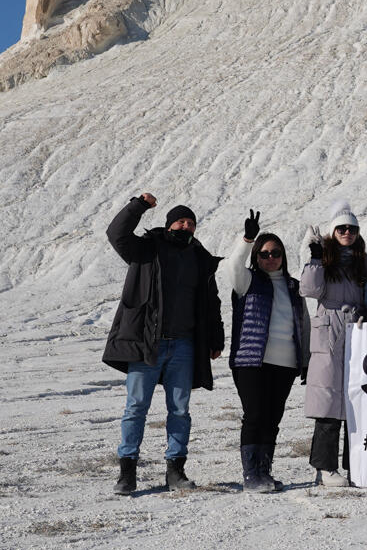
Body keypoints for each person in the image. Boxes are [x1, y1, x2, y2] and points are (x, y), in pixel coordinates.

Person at [102, 193, 224, 496]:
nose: (186, 226)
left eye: (191, 223)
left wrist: (215, 338)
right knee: (135, 408)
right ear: (169, 224)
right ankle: (127, 472)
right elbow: (116, 234)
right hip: (147, 344)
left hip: (183, 345)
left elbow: (211, 302)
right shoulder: (146, 250)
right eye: (181, 221)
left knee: (180, 411)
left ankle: (175, 470)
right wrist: (138, 205)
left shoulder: (200, 258)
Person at [226, 212, 310, 492]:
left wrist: (305, 360)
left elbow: (303, 325)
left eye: (275, 253)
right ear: (256, 257)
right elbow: (232, 266)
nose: (270, 258)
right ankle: (251, 475)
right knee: (255, 415)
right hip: (252, 360)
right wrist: (247, 240)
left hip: (285, 363)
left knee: (273, 419)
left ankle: (264, 471)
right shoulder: (247, 281)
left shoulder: (293, 286)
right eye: (264, 254)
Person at [300, 202, 367, 487]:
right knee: (328, 401)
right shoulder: (323, 259)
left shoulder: (365, 261)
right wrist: (316, 258)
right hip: (328, 327)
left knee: (357, 399)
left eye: (352, 229)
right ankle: (324, 467)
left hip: (357, 326)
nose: (347, 233)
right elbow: (309, 289)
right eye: (341, 228)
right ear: (333, 231)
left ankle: (354, 464)